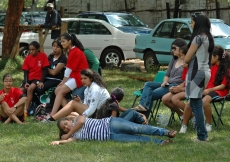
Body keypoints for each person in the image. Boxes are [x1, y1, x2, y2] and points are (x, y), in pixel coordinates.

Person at [180, 46, 230, 133]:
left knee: (204, 101)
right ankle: (184, 126)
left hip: (220, 91)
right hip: (207, 89)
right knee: (190, 102)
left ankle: (208, 125)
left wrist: (208, 90)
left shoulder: (227, 69)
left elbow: (222, 86)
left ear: (216, 57)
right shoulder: (210, 66)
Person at [132, 38, 187, 118]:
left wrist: (178, 87)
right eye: (172, 48)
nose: (172, 50)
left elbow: (187, 78)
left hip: (175, 86)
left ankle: (142, 117)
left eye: (174, 48)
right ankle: (142, 109)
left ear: (181, 48)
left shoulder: (186, 61)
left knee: (150, 94)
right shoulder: (173, 60)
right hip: (167, 84)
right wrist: (165, 81)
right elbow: (167, 75)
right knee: (148, 84)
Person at [182, 12, 214, 141]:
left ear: (198, 23)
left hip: (196, 72)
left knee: (195, 104)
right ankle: (202, 134)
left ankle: (202, 136)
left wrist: (185, 61)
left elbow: (188, 57)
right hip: (206, 71)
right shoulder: (209, 37)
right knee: (197, 102)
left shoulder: (198, 38)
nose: (191, 24)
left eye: (192, 22)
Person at [50, 115, 177, 145]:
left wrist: (68, 134)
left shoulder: (78, 118)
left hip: (111, 124)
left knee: (138, 128)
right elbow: (69, 140)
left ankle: (165, 132)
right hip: (110, 136)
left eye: (66, 123)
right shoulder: (75, 135)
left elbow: (82, 122)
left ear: (70, 120)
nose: (66, 127)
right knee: (136, 138)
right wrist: (60, 141)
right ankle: (160, 142)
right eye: (64, 128)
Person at [45, 69, 110, 122]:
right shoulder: (87, 89)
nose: (83, 81)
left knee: (72, 104)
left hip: (101, 114)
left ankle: (51, 119)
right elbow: (86, 105)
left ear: (91, 78)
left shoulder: (95, 88)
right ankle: (55, 118)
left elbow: (92, 108)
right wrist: (79, 103)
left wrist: (80, 116)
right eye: (81, 79)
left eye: (85, 78)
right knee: (69, 113)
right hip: (94, 112)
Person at [49, 33, 89, 117]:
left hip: (79, 77)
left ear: (69, 41)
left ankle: (53, 115)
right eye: (61, 41)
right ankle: (68, 111)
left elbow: (68, 69)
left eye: (63, 41)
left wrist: (63, 82)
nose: (62, 43)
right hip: (74, 75)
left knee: (59, 91)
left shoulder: (75, 51)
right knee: (57, 91)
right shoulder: (71, 50)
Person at [21, 41, 50, 112]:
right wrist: (26, 82)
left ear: (37, 49)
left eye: (33, 49)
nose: (31, 51)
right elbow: (25, 72)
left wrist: (41, 81)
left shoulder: (43, 56)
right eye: (30, 50)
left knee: (30, 89)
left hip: (37, 78)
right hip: (29, 78)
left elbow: (45, 70)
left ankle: (26, 110)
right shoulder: (27, 58)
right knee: (20, 91)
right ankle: (18, 109)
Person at [162, 45, 188, 122]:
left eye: (182, 55)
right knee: (164, 99)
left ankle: (193, 116)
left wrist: (180, 89)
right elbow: (185, 81)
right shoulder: (185, 66)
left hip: (191, 89)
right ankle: (183, 115)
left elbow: (193, 85)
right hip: (183, 88)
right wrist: (178, 88)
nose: (181, 58)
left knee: (175, 99)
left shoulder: (193, 66)